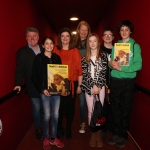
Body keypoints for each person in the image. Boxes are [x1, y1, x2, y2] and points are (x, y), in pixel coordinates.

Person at [108, 20, 142, 148]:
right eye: (121, 30)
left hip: (127, 82)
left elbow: (138, 65)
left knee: (125, 109)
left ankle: (123, 135)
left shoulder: (135, 46)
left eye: (126, 29)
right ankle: (116, 133)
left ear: (130, 31)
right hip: (115, 81)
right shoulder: (116, 46)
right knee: (115, 108)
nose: (124, 32)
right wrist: (111, 64)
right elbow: (112, 63)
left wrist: (122, 69)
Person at [32, 36, 64, 149]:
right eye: (47, 43)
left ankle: (54, 137)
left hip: (56, 92)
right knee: (46, 116)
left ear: (53, 45)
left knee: (55, 115)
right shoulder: (38, 58)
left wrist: (62, 88)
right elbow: (34, 77)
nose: (49, 45)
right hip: (44, 92)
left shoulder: (57, 58)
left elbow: (61, 75)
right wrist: (42, 89)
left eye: (51, 43)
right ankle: (46, 138)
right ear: (43, 45)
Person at [14, 27, 44, 140]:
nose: (32, 38)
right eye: (29, 36)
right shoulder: (22, 52)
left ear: (38, 37)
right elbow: (19, 70)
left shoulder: (44, 48)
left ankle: (42, 124)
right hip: (32, 87)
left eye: (34, 36)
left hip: (46, 85)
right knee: (36, 109)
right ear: (26, 38)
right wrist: (17, 83)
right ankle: (38, 128)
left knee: (44, 109)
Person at [53, 28, 82, 139]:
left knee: (70, 108)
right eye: (62, 36)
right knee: (58, 109)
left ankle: (68, 128)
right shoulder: (55, 50)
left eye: (67, 36)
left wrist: (79, 85)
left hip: (71, 84)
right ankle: (59, 127)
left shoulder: (75, 51)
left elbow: (80, 70)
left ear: (70, 38)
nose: (65, 38)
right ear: (60, 38)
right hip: (57, 84)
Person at [81, 33, 107, 147]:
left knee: (99, 110)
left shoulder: (104, 56)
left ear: (98, 42)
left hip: (100, 87)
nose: (92, 43)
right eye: (90, 41)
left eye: (94, 41)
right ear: (88, 43)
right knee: (91, 111)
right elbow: (85, 74)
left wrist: (98, 86)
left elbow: (103, 72)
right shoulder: (84, 58)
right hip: (89, 87)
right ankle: (93, 134)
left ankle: (98, 135)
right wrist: (93, 86)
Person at [73, 21, 91, 133]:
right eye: (82, 29)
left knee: (92, 101)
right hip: (78, 76)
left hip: (90, 76)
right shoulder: (73, 43)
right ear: (78, 30)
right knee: (82, 101)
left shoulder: (91, 42)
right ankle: (83, 123)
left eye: (86, 30)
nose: (83, 32)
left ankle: (93, 122)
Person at [100, 27, 114, 136]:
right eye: (106, 34)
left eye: (110, 35)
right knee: (102, 106)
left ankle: (111, 125)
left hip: (115, 81)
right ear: (102, 37)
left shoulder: (118, 49)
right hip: (101, 82)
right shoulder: (98, 50)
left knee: (113, 105)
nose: (108, 37)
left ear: (113, 37)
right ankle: (103, 128)